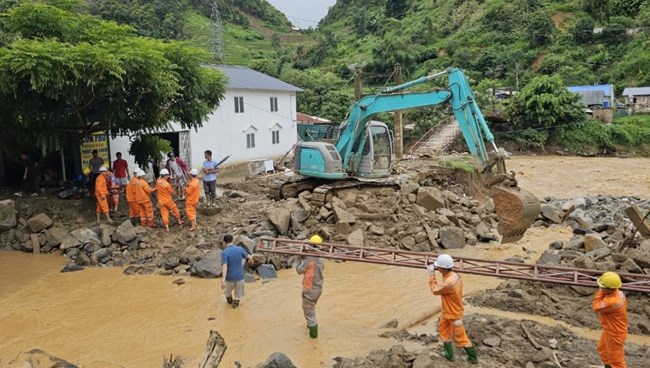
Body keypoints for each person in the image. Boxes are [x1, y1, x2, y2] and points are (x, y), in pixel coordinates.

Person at [428, 254, 478, 364]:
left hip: (454, 315)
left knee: (462, 338)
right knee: (443, 331)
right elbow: (445, 281)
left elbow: (435, 290)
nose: (438, 269)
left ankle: (473, 359)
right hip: (447, 313)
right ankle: (449, 355)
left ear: (442, 268)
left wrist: (431, 274)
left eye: (438, 267)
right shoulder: (455, 276)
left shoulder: (448, 284)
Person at [592, 272, 627, 368]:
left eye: (602, 287)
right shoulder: (618, 293)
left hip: (615, 334)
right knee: (603, 350)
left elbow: (596, 307)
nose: (601, 288)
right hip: (610, 330)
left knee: (616, 361)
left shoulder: (611, 302)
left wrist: (600, 292)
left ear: (608, 289)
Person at [296, 235, 325, 338]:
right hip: (318, 289)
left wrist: (299, 258)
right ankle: (310, 326)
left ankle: (313, 339)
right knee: (310, 309)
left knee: (309, 313)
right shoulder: (321, 258)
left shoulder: (310, 259)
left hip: (310, 290)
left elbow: (299, 270)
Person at [221, 234, 253, 309]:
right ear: (232, 240)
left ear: (224, 242)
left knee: (228, 294)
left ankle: (229, 305)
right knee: (238, 295)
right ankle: (235, 307)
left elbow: (224, 267)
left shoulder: (225, 253)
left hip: (230, 278)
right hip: (240, 277)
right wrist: (250, 261)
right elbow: (250, 257)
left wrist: (223, 281)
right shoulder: (239, 249)